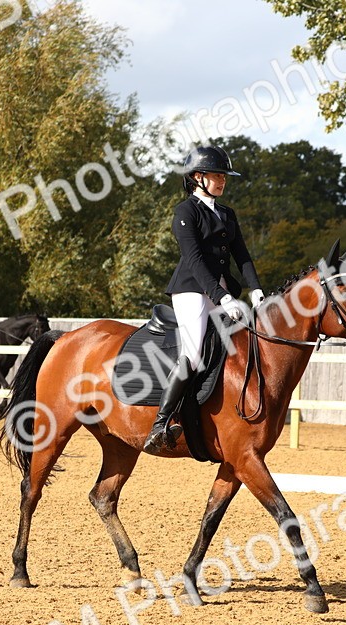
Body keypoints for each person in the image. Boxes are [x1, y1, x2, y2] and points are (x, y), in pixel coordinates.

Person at [142, 145, 265, 455]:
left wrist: (256, 289)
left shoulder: (227, 213)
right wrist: (221, 296)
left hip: (223, 291)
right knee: (194, 353)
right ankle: (160, 423)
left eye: (224, 176)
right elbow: (195, 260)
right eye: (216, 175)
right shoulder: (186, 212)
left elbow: (242, 256)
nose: (222, 181)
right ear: (197, 177)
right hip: (192, 290)